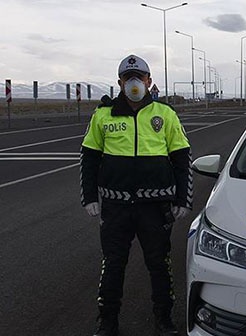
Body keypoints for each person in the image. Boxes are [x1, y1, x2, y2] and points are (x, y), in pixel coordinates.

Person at [80, 54, 192, 336]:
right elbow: (89, 158)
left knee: (159, 264)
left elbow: (182, 158)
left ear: (149, 81)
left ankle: (164, 320)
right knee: (113, 264)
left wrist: (183, 199)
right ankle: (107, 322)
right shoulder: (103, 115)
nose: (134, 83)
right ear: (119, 83)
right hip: (116, 207)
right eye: (128, 78)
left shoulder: (165, 114)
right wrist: (89, 196)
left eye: (139, 78)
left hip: (154, 206)